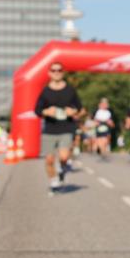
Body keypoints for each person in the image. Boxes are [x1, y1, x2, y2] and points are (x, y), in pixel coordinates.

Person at [34, 62, 84, 193]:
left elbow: (79, 108)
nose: (56, 72)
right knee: (49, 160)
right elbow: (37, 110)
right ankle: (53, 179)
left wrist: (72, 111)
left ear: (63, 72)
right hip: (50, 129)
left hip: (66, 127)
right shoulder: (45, 91)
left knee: (63, 157)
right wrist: (46, 111)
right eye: (54, 70)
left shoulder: (70, 90)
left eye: (59, 70)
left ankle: (62, 170)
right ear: (49, 73)